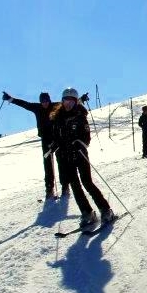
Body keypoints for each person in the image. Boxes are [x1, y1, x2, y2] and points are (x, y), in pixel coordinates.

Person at [50, 87, 114, 227]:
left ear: (75, 102)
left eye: (71, 102)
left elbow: (86, 137)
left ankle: (105, 209)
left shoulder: (80, 115)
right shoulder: (58, 118)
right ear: (62, 101)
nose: (68, 105)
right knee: (75, 186)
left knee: (87, 182)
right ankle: (87, 212)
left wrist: (79, 143)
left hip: (79, 154)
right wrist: (55, 145)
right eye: (66, 101)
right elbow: (57, 137)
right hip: (66, 157)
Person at [2, 90, 70, 199]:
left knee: (61, 161)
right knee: (47, 164)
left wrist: (81, 99)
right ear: (40, 101)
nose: (45, 103)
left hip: (57, 138)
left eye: (47, 100)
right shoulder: (36, 108)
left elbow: (69, 104)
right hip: (45, 139)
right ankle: (49, 188)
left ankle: (65, 186)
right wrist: (11, 99)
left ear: (49, 100)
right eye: (43, 101)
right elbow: (24, 104)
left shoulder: (56, 106)